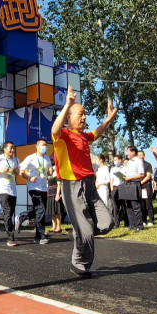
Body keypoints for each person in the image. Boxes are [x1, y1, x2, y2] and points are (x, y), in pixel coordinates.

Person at [52, 85, 117, 278]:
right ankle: (78, 264)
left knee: (107, 223)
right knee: (87, 232)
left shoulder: (82, 136)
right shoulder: (63, 136)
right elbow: (55, 129)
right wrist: (67, 105)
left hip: (89, 186)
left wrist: (108, 120)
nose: (84, 117)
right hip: (73, 187)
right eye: (80, 114)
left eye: (85, 114)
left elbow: (96, 133)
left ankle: (79, 232)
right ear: (69, 117)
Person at [20, 138, 54, 244]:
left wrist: (50, 171)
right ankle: (40, 236)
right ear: (37, 146)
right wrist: (29, 178)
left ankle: (23, 216)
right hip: (34, 187)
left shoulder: (47, 158)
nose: (45, 147)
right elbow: (21, 171)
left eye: (46, 145)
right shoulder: (30, 158)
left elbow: (48, 172)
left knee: (40, 210)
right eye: (43, 145)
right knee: (41, 210)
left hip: (44, 187)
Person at [0, 142, 21, 246]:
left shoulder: (16, 160)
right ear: (5, 149)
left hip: (13, 190)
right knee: (8, 212)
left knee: (9, 213)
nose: (12, 150)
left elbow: (18, 173)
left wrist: (14, 171)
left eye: (13, 148)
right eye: (10, 148)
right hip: (2, 190)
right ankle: (10, 238)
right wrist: (0, 171)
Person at [118, 146, 146, 231]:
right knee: (128, 206)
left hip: (135, 184)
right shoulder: (129, 162)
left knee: (136, 205)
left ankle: (139, 225)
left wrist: (130, 178)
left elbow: (142, 175)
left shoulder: (138, 161)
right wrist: (123, 177)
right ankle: (132, 225)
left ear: (133, 152)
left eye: (128, 151)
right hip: (127, 184)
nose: (127, 153)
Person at [137, 150, 155, 227]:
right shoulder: (136, 165)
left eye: (142, 155)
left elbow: (148, 176)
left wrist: (140, 183)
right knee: (142, 204)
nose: (141, 157)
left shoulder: (147, 164)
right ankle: (143, 220)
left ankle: (151, 220)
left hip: (146, 186)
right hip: (138, 186)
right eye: (139, 155)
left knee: (148, 203)